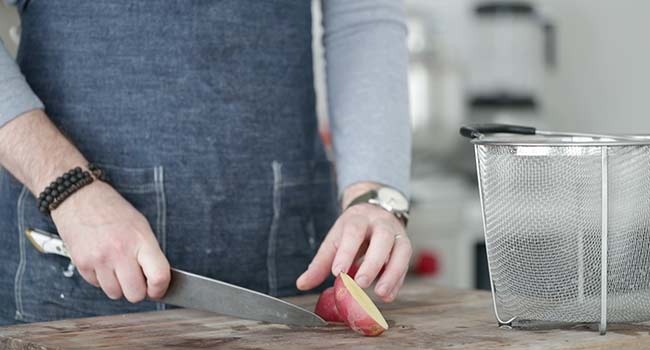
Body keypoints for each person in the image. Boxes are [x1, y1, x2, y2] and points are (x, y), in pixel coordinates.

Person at [0, 0, 411, 325]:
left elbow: (364, 17)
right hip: (74, 260)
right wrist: (68, 187)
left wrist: (374, 193)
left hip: (288, 252)